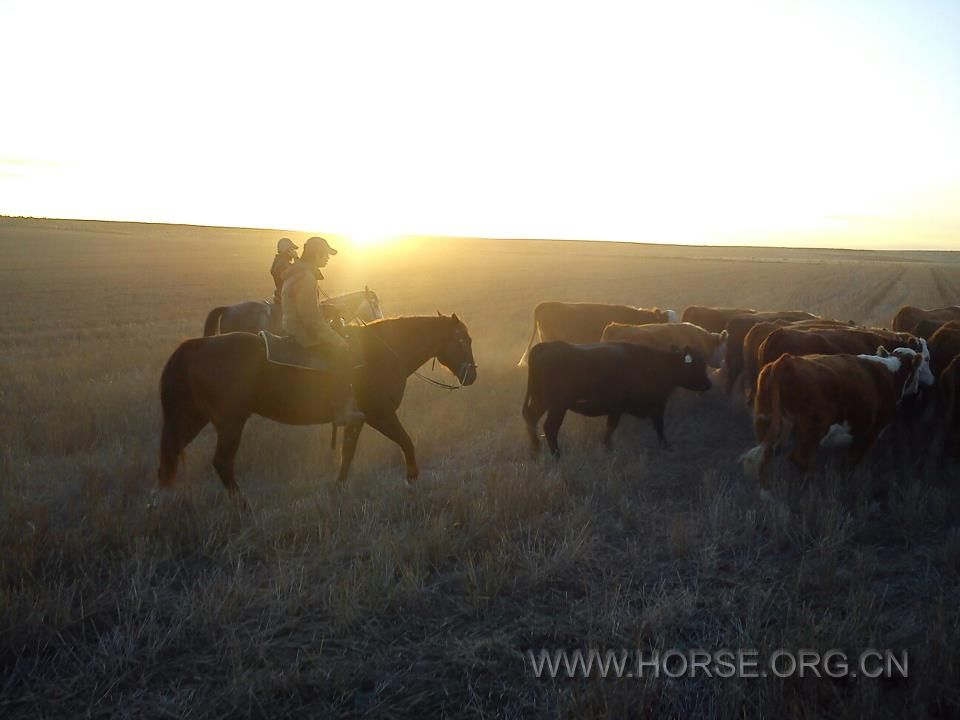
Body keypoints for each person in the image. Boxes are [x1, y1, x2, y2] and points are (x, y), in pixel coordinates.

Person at [281, 236, 365, 427]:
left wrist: (327, 310)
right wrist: (337, 340)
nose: (328, 258)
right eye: (326, 254)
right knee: (343, 353)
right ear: (316, 254)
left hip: (294, 326)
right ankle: (341, 411)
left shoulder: (298, 272)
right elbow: (311, 320)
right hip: (303, 333)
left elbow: (304, 308)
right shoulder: (306, 277)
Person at [271, 238, 299, 302]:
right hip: (288, 296)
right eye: (291, 249)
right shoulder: (283, 264)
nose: (294, 252)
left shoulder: (279, 261)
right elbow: (300, 271)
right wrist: (296, 258)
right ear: (287, 251)